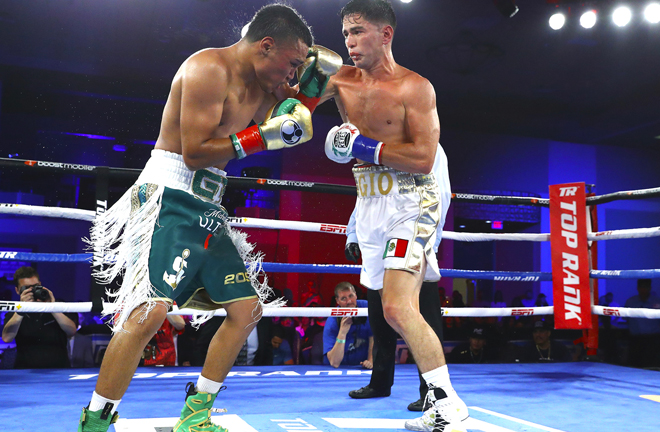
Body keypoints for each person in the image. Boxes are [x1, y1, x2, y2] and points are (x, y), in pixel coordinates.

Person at [76, 5, 320, 432]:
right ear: (265, 46)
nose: (293, 74)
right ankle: (95, 420)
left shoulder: (266, 84)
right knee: (149, 312)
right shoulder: (209, 67)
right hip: (168, 195)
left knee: (246, 311)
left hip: (208, 207)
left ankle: (196, 415)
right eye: (293, 62)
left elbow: (309, 95)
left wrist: (317, 79)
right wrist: (264, 135)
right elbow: (195, 150)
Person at [308, 1, 469, 430]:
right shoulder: (339, 80)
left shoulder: (414, 88)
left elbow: (422, 157)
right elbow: (291, 105)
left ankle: (447, 404)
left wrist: (362, 148)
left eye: (358, 32)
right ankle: (440, 404)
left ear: (385, 35)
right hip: (371, 202)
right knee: (390, 306)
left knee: (398, 305)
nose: (349, 42)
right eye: (345, 34)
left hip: (415, 200)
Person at [344, 211, 446, 413]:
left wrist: (428, 243)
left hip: (414, 242)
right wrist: (353, 236)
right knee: (380, 318)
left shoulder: (424, 178)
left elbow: (438, 198)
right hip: (378, 250)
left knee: (424, 319)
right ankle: (380, 383)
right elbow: (364, 198)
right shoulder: (371, 178)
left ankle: (434, 392)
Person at [1, 266, 78, 369]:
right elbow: (6, 338)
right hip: (25, 372)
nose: (32, 291)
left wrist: (52, 307)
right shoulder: (14, 312)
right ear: (17, 290)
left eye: (35, 286)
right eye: (27, 288)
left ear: (41, 285)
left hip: (59, 370)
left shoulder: (57, 305)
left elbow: (72, 331)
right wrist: (21, 310)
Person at [323, 282, 374, 368]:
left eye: (351, 296)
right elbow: (334, 363)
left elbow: (373, 337)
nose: (349, 301)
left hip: (360, 367)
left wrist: (370, 361)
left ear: (356, 295)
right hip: (336, 369)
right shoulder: (332, 321)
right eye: (343, 298)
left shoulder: (367, 308)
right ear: (337, 301)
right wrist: (342, 332)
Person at [624, 279, 660, 368]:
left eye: (645, 287)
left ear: (650, 288)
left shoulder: (657, 301)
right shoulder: (631, 302)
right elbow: (625, 318)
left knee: (652, 366)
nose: (643, 289)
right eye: (641, 287)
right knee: (634, 366)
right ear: (638, 288)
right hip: (636, 339)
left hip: (653, 339)